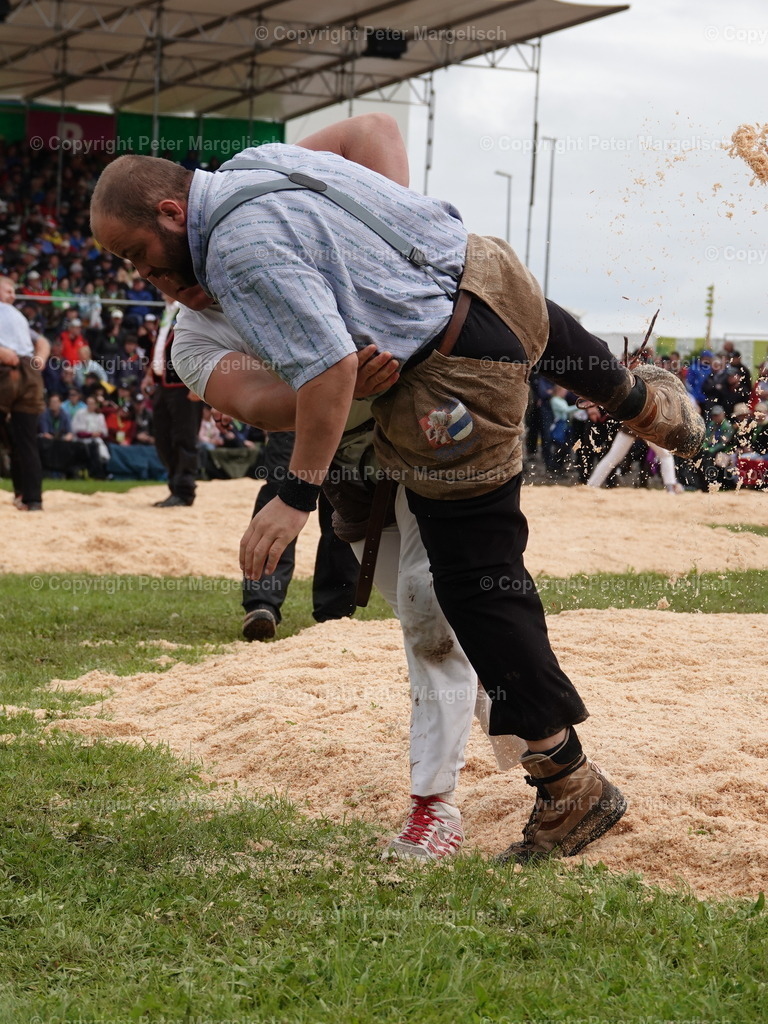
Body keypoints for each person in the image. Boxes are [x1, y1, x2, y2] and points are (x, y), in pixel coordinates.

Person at [91, 113, 704, 865]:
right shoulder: (252, 173)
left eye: (142, 257)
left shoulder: (240, 253)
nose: (148, 279)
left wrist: (293, 492)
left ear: (171, 211)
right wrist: (370, 312)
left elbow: (328, 367)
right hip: (485, 285)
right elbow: (276, 395)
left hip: (444, 389)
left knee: (471, 586)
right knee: (442, 587)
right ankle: (644, 403)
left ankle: (564, 779)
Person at [141, 300, 203, 507]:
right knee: (163, 439)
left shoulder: (188, 308)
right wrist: (150, 374)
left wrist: (197, 385)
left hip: (184, 385)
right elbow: (159, 348)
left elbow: (201, 344)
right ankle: (174, 488)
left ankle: (184, 491)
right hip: (164, 385)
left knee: (184, 438)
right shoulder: (167, 312)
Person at [0, 275, 50, 510]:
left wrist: (39, 357)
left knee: (25, 440)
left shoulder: (16, 316)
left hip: (24, 369)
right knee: (22, 441)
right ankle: (29, 498)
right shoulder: (13, 315)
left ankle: (31, 498)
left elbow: (43, 342)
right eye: (7, 290)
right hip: (8, 368)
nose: (13, 294)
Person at [587, 428, 680, 492]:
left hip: (636, 425)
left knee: (612, 457)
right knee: (665, 455)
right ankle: (670, 487)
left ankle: (592, 485)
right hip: (643, 426)